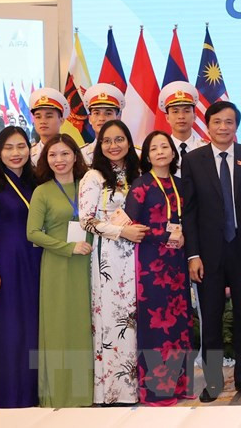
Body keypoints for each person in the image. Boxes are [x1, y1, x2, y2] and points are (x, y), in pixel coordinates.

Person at [182, 101, 241, 402]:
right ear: (207, 125)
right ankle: (212, 381)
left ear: (237, 126)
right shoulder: (193, 160)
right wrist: (193, 254)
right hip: (208, 253)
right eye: (217, 122)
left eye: (230, 122)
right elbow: (190, 211)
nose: (223, 127)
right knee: (211, 316)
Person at [124, 131, 194, 405]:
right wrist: (163, 235)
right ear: (147, 156)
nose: (161, 152)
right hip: (151, 265)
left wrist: (184, 235)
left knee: (179, 323)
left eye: (165, 146)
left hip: (177, 263)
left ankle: (180, 385)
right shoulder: (141, 185)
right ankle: (156, 390)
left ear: (173, 153)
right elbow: (131, 224)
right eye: (154, 148)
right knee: (156, 325)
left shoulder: (181, 184)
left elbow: (190, 218)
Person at [79, 119, 145, 404]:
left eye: (119, 139)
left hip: (143, 255)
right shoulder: (93, 177)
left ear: (129, 143)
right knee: (115, 319)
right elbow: (87, 220)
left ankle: (145, 386)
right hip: (110, 257)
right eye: (107, 140)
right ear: (100, 145)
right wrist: (122, 231)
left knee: (140, 317)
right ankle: (117, 391)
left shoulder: (140, 173)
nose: (113, 145)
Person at [26, 134, 93, 407]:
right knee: (58, 328)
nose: (59, 160)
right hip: (58, 264)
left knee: (84, 326)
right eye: (53, 155)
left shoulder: (88, 186)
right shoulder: (42, 191)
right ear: (46, 159)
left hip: (89, 264)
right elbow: (32, 233)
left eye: (65, 154)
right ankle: (60, 394)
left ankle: (85, 393)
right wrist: (68, 247)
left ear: (75, 156)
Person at [0, 127, 41, 407]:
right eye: (8, 147)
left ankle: (36, 393)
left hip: (41, 259)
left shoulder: (38, 182)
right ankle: (10, 397)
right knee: (12, 327)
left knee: (37, 325)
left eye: (21, 146)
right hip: (8, 259)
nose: (16, 153)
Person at [159, 81, 206, 176]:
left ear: (195, 116)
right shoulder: (159, 150)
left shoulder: (206, 148)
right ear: (167, 118)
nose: (181, 116)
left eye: (187, 111)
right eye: (175, 112)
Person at [80, 83, 125, 165]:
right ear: (90, 119)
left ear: (118, 118)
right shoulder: (80, 155)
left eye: (108, 113)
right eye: (96, 113)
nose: (101, 118)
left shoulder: (135, 154)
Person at [29, 88, 70, 166]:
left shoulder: (71, 152)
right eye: (38, 117)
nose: (43, 121)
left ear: (61, 120)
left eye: (49, 116)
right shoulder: (28, 155)